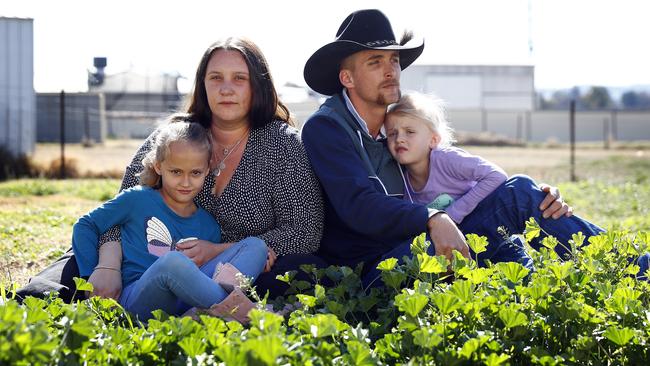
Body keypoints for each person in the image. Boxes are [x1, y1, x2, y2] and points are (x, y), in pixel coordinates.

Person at [17, 37, 325, 303]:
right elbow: (120, 209)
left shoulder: (281, 144)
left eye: (239, 78)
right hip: (147, 259)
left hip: (239, 267)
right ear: (202, 86)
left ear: (257, 86)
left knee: (296, 271)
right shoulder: (176, 136)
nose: (226, 89)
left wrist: (217, 250)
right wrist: (108, 265)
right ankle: (37, 302)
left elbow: (305, 231)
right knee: (76, 265)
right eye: (215, 77)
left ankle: (216, 308)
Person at [301, 9, 572, 287]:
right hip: (377, 271)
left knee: (521, 191)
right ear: (348, 78)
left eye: (394, 60)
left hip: (422, 244)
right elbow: (359, 206)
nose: (390, 71)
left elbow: (449, 175)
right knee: (494, 237)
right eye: (375, 62)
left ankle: (614, 263)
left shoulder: (395, 129)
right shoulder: (326, 129)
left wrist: (539, 197)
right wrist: (433, 216)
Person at [73, 121, 268, 322]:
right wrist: (95, 274)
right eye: (176, 172)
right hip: (137, 300)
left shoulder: (208, 225)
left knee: (257, 246)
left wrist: (221, 248)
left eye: (195, 173)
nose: (185, 182)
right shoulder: (137, 200)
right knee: (173, 263)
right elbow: (85, 225)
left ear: (207, 169)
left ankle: (204, 316)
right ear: (159, 166)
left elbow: (202, 279)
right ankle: (246, 315)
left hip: (187, 303)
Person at [384, 92, 605, 266]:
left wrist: (454, 214)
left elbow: (495, 175)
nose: (399, 138)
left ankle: (610, 258)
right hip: (469, 247)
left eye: (409, 132)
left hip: (498, 234)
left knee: (520, 187)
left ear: (433, 139)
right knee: (514, 296)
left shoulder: (445, 158)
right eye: (392, 133)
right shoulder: (399, 179)